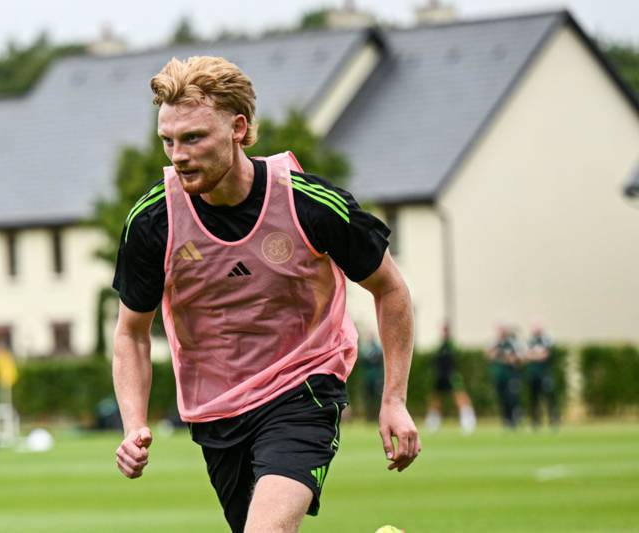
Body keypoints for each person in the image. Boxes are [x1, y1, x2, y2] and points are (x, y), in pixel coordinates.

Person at [111, 56, 419, 533]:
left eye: (193, 138)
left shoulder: (308, 203)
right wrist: (134, 424)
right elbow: (131, 333)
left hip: (304, 386)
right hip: (217, 410)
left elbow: (390, 288)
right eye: (168, 141)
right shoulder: (154, 220)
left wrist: (393, 399)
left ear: (238, 128)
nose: (178, 155)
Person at [424, 323, 476, 434]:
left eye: (445, 331)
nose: (443, 333)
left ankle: (468, 421)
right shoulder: (439, 347)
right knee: (436, 398)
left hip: (452, 375)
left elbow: (458, 356)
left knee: (459, 396)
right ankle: (433, 422)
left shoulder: (452, 345)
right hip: (440, 376)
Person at [487, 325, 523, 428]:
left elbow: (514, 359)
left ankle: (515, 419)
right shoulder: (496, 344)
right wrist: (501, 356)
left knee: (511, 398)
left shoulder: (511, 343)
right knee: (502, 399)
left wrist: (503, 357)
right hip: (499, 377)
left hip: (511, 376)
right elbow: (489, 355)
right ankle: (506, 420)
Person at [525, 324, 560, 429]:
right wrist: (536, 355)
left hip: (545, 374)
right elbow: (526, 355)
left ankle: (553, 420)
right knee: (534, 399)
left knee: (549, 398)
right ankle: (535, 422)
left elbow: (545, 356)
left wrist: (534, 355)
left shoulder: (546, 340)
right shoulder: (530, 341)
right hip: (533, 375)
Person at [358, 330, 385, 421]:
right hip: (367, 378)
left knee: (377, 398)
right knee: (367, 397)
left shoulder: (378, 348)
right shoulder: (366, 349)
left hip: (375, 378)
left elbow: (379, 360)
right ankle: (368, 416)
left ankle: (377, 416)